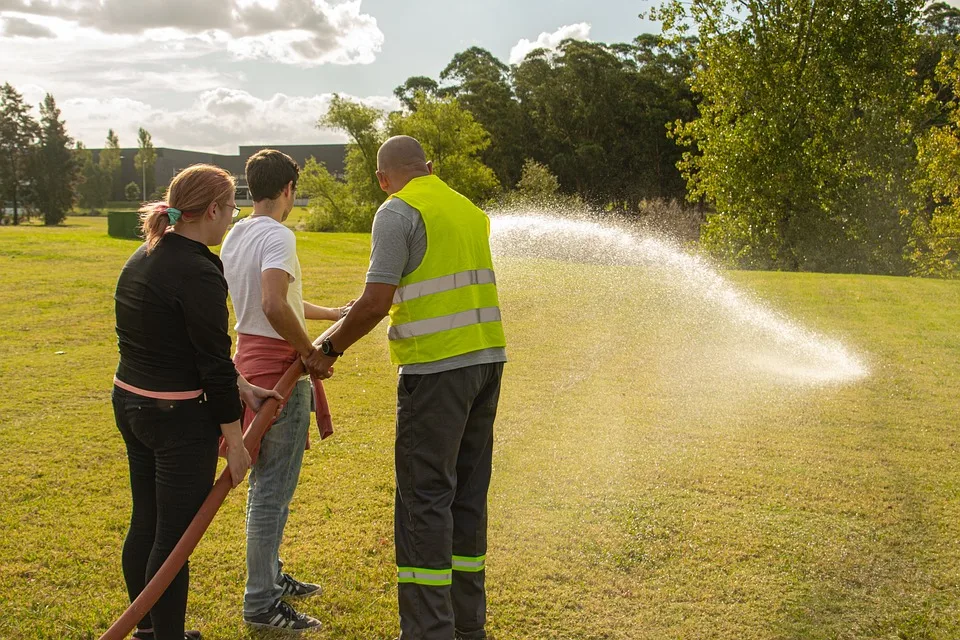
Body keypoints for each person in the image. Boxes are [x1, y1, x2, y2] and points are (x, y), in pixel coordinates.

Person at [311, 136, 507, 640]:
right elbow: (389, 289)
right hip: (486, 361)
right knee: (466, 495)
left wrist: (329, 351)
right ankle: (467, 627)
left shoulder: (396, 212)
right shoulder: (467, 209)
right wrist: (334, 327)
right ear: (430, 167)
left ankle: (427, 631)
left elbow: (377, 302)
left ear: (382, 178)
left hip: (435, 370)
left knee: (425, 499)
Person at [112, 164, 281, 640]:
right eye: (231, 209)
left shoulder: (143, 255)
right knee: (174, 538)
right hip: (177, 422)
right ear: (212, 209)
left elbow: (184, 344)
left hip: (130, 404)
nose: (232, 217)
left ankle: (146, 629)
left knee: (145, 519)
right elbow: (208, 362)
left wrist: (244, 385)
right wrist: (237, 441)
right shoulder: (200, 270)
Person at [220, 149, 346, 632]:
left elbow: (277, 299)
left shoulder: (238, 233)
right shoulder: (278, 234)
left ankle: (270, 576)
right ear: (289, 190)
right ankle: (260, 603)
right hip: (277, 372)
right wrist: (309, 353)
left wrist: (333, 314)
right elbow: (274, 305)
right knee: (272, 490)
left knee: (266, 484)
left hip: (250, 361)